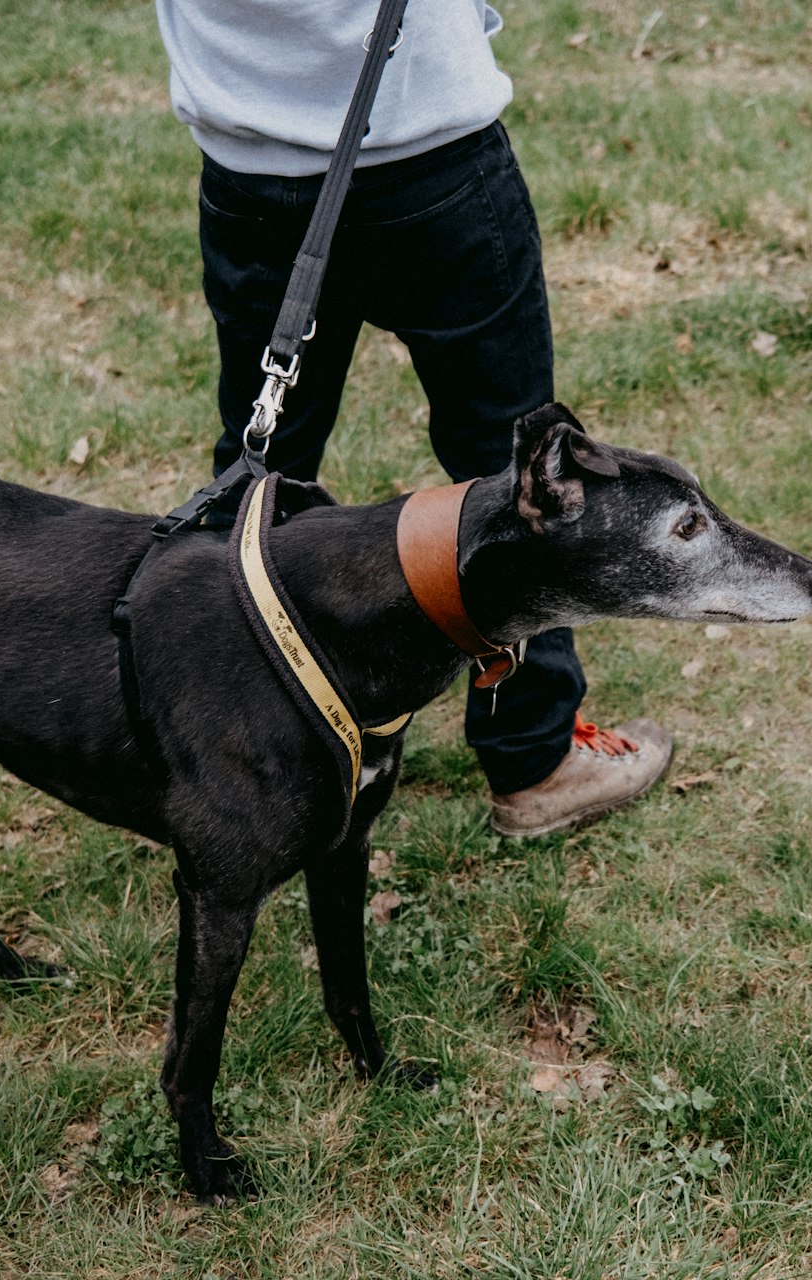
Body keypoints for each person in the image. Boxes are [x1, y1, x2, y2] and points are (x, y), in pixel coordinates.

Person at [153, 0, 671, 837]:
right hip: (429, 159)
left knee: (261, 458)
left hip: (252, 165)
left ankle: (212, 735)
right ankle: (535, 759)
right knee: (518, 470)